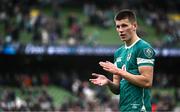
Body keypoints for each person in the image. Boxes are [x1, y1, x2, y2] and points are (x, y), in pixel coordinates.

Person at [89, 9, 156, 112]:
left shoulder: (143, 48)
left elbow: (147, 82)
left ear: (134, 26)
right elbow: (117, 89)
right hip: (124, 109)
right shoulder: (118, 53)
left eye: (124, 25)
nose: (120, 30)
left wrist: (119, 71)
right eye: (118, 26)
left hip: (139, 109)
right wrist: (108, 82)